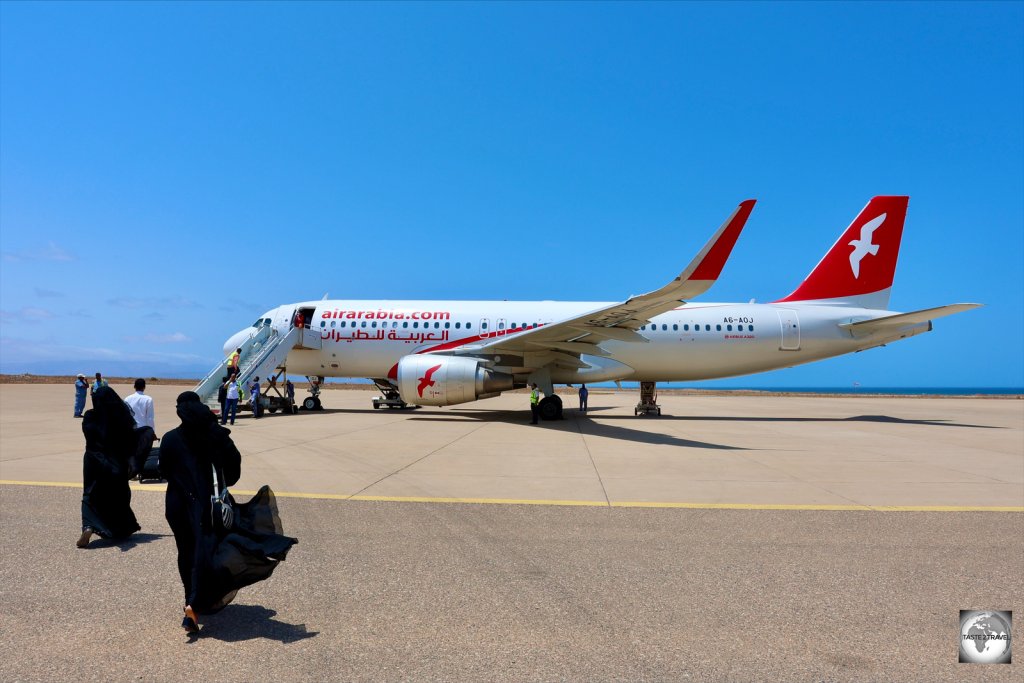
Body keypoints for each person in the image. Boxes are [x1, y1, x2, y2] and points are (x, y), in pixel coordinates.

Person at [160, 391, 298, 633]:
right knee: (208, 550)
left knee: (187, 551)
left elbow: (164, 470)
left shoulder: (170, 439)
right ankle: (196, 601)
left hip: (179, 505)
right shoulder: (216, 436)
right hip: (210, 506)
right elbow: (233, 472)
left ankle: (190, 601)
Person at [78, 386, 141, 548]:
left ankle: (88, 526)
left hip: (93, 460)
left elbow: (89, 435)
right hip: (116, 462)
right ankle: (120, 527)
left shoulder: (91, 416)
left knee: (90, 494)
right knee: (118, 494)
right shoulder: (122, 418)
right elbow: (130, 440)